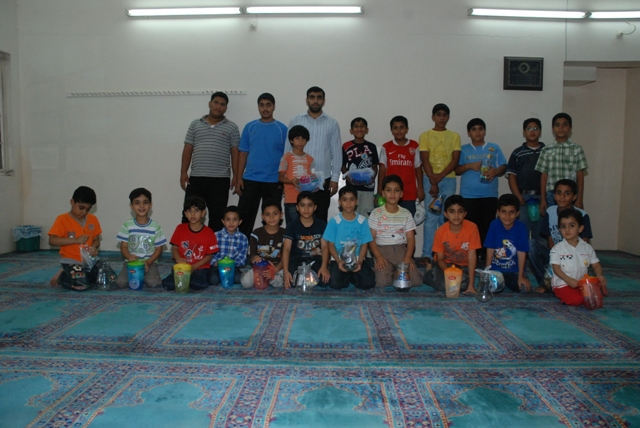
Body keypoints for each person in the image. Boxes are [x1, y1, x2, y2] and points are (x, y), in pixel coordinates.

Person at [180, 91, 240, 231]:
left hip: (220, 180)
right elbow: (188, 148)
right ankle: (185, 244)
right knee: (189, 215)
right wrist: (183, 172)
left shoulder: (232, 127)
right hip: (196, 178)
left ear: (226, 108)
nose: (218, 106)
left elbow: (235, 153)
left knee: (217, 218)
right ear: (210, 103)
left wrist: (237, 176)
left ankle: (212, 245)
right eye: (216, 102)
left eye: (222, 104)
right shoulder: (195, 124)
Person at [236, 93, 288, 239]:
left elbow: (287, 157)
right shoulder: (250, 127)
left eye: (268, 105)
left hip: (273, 181)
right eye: (262, 105)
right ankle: (241, 247)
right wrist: (239, 178)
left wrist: (285, 181)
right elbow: (243, 154)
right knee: (244, 217)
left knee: (272, 219)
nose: (265, 108)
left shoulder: (282, 129)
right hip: (250, 179)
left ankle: (271, 248)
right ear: (258, 107)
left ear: (274, 107)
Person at [288, 86, 342, 222]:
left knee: (320, 219)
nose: (315, 101)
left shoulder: (332, 123)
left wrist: (335, 179)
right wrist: (287, 178)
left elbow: (336, 153)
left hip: (323, 180)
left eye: (319, 98)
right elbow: (287, 150)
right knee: (297, 220)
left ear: (323, 100)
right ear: (307, 100)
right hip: (298, 180)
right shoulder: (296, 120)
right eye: (312, 97)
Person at [528, 179, 593, 290]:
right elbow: (550, 238)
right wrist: (556, 257)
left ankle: (569, 281)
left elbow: (584, 242)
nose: (562, 197)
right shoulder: (550, 212)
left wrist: (566, 259)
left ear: (574, 197)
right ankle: (545, 283)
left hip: (574, 257)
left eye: (567, 193)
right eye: (559, 193)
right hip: (556, 254)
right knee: (531, 245)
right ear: (554, 196)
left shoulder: (582, 215)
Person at [455, 118, 507, 256]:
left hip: (489, 194)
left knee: (488, 226)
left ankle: (486, 256)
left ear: (484, 131)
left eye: (480, 129)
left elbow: (504, 166)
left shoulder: (494, 147)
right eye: (474, 129)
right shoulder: (463, 149)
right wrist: (469, 166)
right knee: (470, 227)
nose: (477, 132)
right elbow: (456, 170)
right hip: (468, 196)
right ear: (468, 132)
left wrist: (495, 171)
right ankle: (472, 255)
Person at [419, 103, 461, 262]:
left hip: (448, 179)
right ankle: (427, 254)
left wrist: (439, 177)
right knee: (431, 217)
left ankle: (444, 254)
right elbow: (424, 159)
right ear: (433, 117)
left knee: (446, 217)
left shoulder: (455, 136)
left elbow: (455, 160)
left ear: (448, 117)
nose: (441, 118)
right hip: (429, 179)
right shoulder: (425, 136)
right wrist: (433, 180)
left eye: (444, 115)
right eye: (438, 115)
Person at [368, 175, 423, 288]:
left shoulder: (406, 213)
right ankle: (389, 272)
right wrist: (378, 257)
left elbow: (411, 238)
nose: (392, 194)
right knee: (382, 283)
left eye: (396, 190)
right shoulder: (376, 213)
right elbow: (371, 238)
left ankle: (396, 272)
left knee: (416, 282)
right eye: (389, 190)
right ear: (383, 193)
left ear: (401, 194)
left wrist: (408, 257)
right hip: (382, 251)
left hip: (401, 251)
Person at [423, 195, 481, 294]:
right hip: (445, 265)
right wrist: (449, 273)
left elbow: (472, 256)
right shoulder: (440, 232)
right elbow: (440, 259)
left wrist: (471, 285)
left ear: (465, 213)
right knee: (443, 285)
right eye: (452, 211)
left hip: (463, 266)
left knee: (462, 285)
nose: (456, 216)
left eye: (460, 211)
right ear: (445, 214)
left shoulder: (472, 228)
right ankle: (429, 272)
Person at [48, 186, 102, 291]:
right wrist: (76, 240)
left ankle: (76, 274)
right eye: (81, 208)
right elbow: (52, 240)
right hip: (71, 261)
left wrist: (94, 247)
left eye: (88, 209)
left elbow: (96, 240)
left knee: (106, 278)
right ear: (72, 202)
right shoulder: (62, 219)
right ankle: (62, 276)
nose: (84, 212)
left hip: (89, 261)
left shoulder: (93, 219)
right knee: (81, 285)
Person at [550, 208, 606, 306]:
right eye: (563, 226)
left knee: (596, 298)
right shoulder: (557, 249)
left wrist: (599, 275)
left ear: (580, 228)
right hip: (563, 284)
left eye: (571, 226)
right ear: (559, 229)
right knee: (577, 300)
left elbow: (596, 265)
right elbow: (556, 269)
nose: (567, 230)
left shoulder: (587, 247)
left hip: (581, 283)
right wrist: (568, 280)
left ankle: (581, 294)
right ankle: (564, 295)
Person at [323, 186, 375, 290]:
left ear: (356, 201)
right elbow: (330, 244)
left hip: (357, 259)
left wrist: (360, 262)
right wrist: (338, 261)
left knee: (368, 283)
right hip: (338, 259)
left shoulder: (362, 221)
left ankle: (352, 277)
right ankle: (346, 277)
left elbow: (365, 244)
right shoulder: (334, 221)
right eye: (344, 200)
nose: (348, 203)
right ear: (339, 202)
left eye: (351, 199)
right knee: (335, 284)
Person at [162, 196, 219, 291]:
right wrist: (178, 259)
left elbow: (209, 256)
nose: (192, 214)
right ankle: (185, 279)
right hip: (182, 267)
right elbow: (175, 248)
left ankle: (188, 280)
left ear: (203, 213)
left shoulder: (209, 232)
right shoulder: (180, 228)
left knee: (198, 284)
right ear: (185, 213)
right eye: (189, 211)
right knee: (167, 284)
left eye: (196, 210)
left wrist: (194, 267)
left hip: (199, 268)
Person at [535, 112, 588, 211]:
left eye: (565, 124)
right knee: (553, 219)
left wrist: (579, 199)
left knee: (569, 219)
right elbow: (544, 176)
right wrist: (543, 199)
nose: (561, 128)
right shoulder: (546, 150)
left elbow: (580, 175)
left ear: (570, 128)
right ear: (552, 128)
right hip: (551, 195)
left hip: (570, 194)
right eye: (557, 125)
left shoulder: (577, 149)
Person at [115, 188, 167, 288]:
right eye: (137, 203)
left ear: (150, 205)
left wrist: (148, 262)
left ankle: (144, 276)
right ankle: (138, 276)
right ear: (131, 206)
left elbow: (158, 249)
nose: (141, 206)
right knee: (120, 283)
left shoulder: (156, 226)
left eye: (145, 202)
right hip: (131, 263)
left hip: (149, 262)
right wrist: (129, 257)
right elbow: (124, 246)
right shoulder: (127, 225)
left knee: (153, 283)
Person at [506, 118, 545, 240]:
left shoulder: (547, 151)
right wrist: (518, 196)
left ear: (540, 131)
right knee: (522, 234)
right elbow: (511, 176)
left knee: (541, 235)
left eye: (535, 128)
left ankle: (539, 253)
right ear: (524, 132)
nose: (532, 131)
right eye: (529, 128)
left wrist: (544, 198)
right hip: (523, 199)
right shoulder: (517, 153)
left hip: (542, 198)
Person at [484, 194, 531, 293]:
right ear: (498, 212)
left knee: (524, 289)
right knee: (490, 288)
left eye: (511, 212)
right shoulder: (494, 225)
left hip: (514, 271)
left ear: (518, 213)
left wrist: (521, 276)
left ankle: (507, 282)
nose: (507, 216)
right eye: (504, 212)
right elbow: (490, 249)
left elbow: (522, 252)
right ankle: (501, 283)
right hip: (496, 270)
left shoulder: (521, 227)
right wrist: (487, 272)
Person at [282, 191, 330, 288]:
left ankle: (308, 278)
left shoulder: (322, 224)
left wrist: (324, 267)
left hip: (316, 259)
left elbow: (325, 247)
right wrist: (286, 272)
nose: (306, 209)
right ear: (297, 207)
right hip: (297, 260)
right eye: (302, 205)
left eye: (310, 205)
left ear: (315, 207)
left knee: (324, 282)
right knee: (292, 281)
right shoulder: (292, 226)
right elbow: (286, 249)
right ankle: (307, 279)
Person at [378, 116, 424, 217]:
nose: (398, 131)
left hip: (409, 193)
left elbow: (418, 168)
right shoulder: (386, 147)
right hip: (391, 194)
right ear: (391, 130)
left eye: (401, 127)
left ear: (407, 129)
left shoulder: (414, 146)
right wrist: (379, 191)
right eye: (395, 128)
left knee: (408, 221)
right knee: (389, 220)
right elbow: (382, 170)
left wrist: (420, 189)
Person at [240, 200, 286, 289]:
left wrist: (276, 269)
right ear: (263, 217)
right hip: (259, 268)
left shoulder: (285, 234)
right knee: (245, 283)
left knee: (279, 283)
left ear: (281, 215)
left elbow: (286, 256)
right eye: (268, 214)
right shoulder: (256, 233)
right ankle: (260, 277)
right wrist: (254, 258)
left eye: (275, 214)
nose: (272, 217)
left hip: (277, 268)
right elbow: (252, 255)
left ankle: (268, 279)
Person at [341, 117, 379, 216]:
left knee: (367, 214)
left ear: (367, 130)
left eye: (362, 126)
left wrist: (372, 178)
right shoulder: (346, 146)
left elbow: (375, 166)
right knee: (351, 213)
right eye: (356, 127)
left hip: (368, 188)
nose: (359, 129)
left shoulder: (372, 146)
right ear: (351, 130)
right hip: (352, 188)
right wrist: (347, 176)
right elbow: (342, 165)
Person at [279, 125, 315, 224]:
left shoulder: (310, 159)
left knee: (306, 226)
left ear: (306, 141)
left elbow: (312, 178)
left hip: (306, 200)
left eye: (303, 138)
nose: (300, 141)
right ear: (291, 140)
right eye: (297, 138)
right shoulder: (286, 157)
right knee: (292, 227)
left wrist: (317, 181)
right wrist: (291, 181)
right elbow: (280, 177)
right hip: (291, 199)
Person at [209, 206, 248, 286]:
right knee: (213, 280)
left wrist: (230, 264)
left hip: (233, 267)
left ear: (240, 222)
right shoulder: (216, 236)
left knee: (238, 279)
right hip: (217, 266)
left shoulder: (243, 238)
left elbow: (242, 259)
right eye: (228, 219)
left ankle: (227, 277)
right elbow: (210, 254)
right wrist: (217, 263)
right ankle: (222, 277)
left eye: (235, 219)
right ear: (223, 221)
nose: (231, 222)